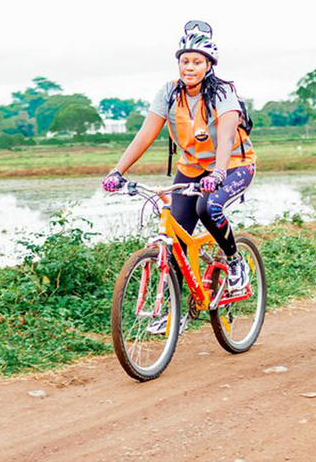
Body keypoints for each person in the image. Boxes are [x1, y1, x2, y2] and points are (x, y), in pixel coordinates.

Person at [102, 20, 256, 291]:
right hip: (192, 169)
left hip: (233, 166)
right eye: (185, 61)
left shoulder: (223, 93)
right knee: (176, 240)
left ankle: (234, 261)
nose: (189, 67)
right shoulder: (169, 93)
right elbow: (144, 136)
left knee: (208, 208)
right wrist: (117, 171)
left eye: (197, 61)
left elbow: (228, 137)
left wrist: (219, 172)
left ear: (209, 65)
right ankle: (174, 312)